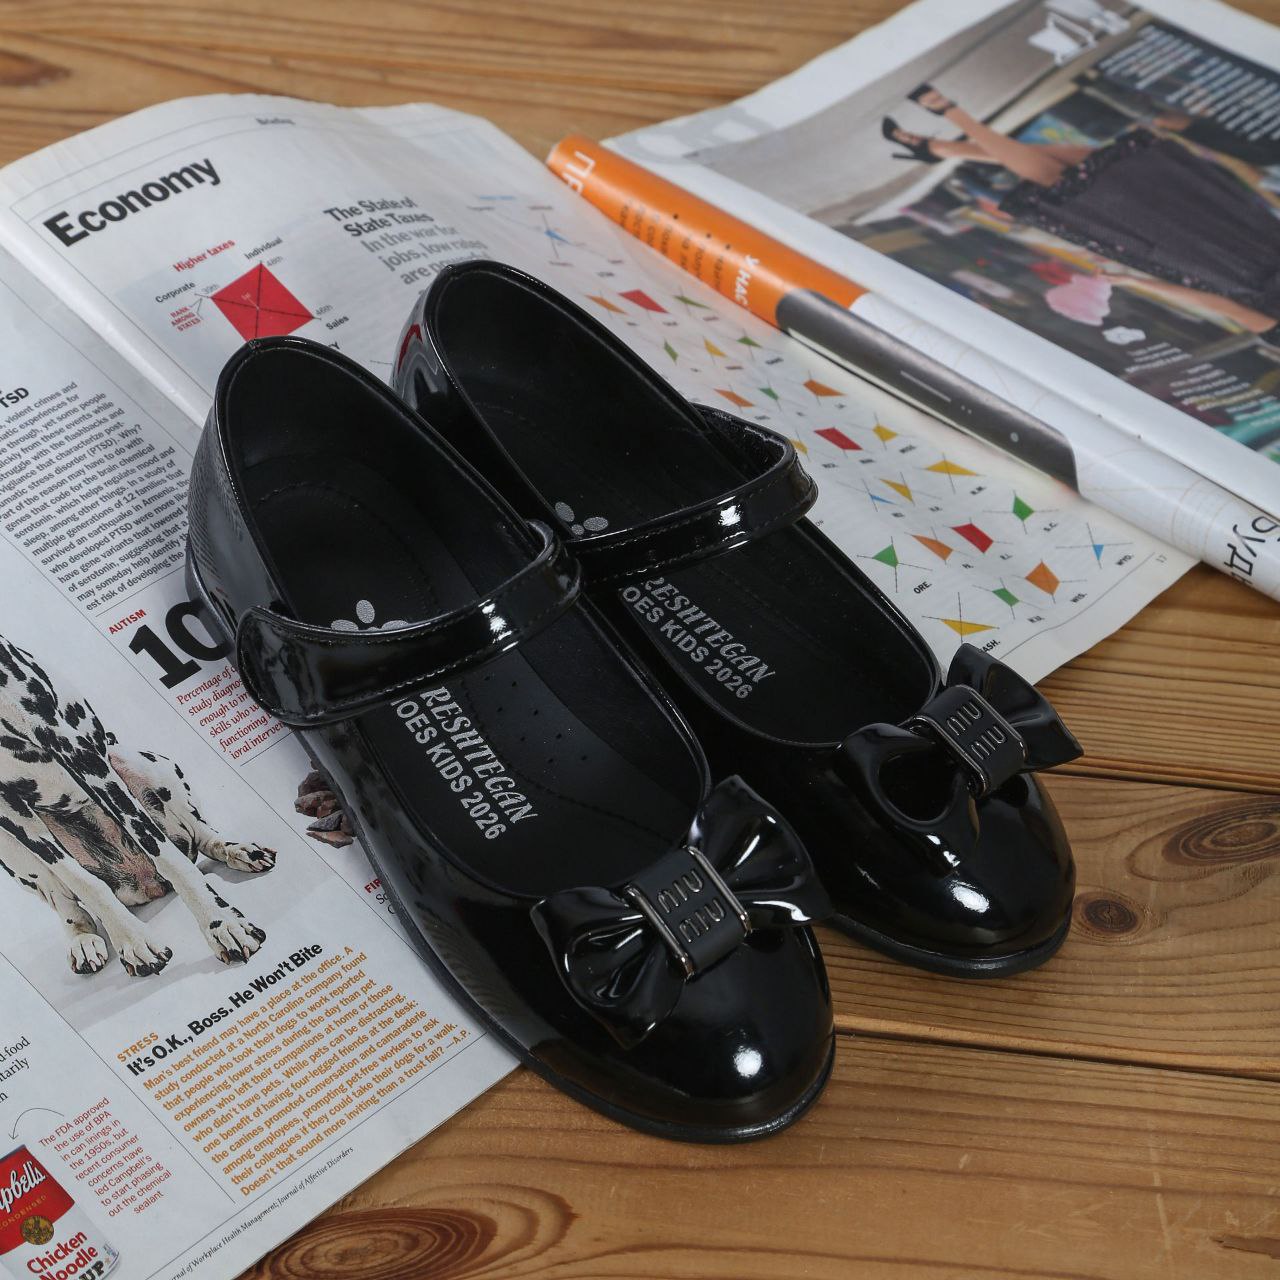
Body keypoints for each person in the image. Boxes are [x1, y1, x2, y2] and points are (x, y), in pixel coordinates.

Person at [882, 85, 1280, 337]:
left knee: (1062, 180)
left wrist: (1133, 280)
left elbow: (1219, 304)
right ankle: (940, 148)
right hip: (1224, 220)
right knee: (1093, 161)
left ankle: (950, 113)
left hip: (1198, 242)